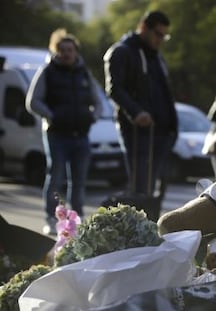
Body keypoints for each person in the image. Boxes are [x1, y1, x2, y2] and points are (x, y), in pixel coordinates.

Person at [26, 28, 103, 235]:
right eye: (62, 49)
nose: (67, 53)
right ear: (56, 51)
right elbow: (32, 101)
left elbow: (98, 103)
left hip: (81, 136)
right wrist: (52, 115)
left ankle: (75, 220)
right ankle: (52, 218)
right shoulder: (47, 72)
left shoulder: (84, 73)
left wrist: (92, 117)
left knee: (78, 182)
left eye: (70, 49)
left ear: (76, 52)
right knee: (56, 177)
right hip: (56, 135)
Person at [103, 11, 177, 202]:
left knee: (153, 190)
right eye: (158, 34)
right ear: (144, 27)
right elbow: (114, 89)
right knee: (140, 187)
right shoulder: (122, 51)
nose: (160, 40)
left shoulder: (156, 57)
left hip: (161, 133)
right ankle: (137, 228)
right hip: (138, 132)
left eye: (164, 36)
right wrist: (136, 112)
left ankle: (149, 227)